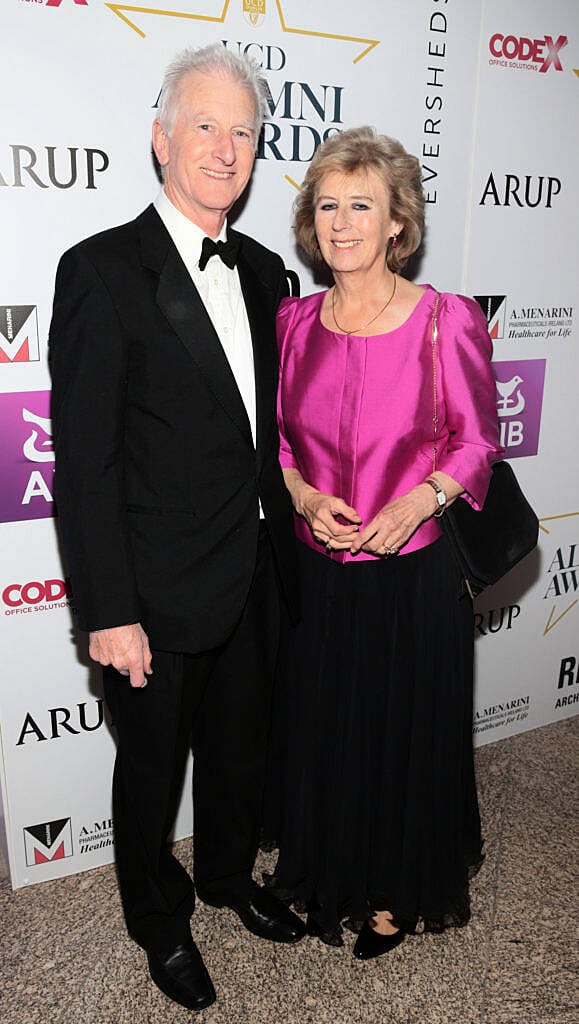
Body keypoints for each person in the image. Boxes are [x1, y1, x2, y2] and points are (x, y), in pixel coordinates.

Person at [48, 43, 304, 1012]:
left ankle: (230, 878)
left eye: (243, 130)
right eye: (205, 124)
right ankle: (158, 919)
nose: (225, 147)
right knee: (151, 772)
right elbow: (87, 462)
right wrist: (107, 610)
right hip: (151, 591)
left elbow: (274, 431)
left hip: (253, 573)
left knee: (242, 752)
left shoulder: (268, 270)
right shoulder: (101, 270)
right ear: (161, 139)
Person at [265, 126, 502, 959]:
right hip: (317, 573)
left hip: (413, 573)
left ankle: (394, 895)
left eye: (360, 205)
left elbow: (475, 443)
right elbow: (280, 447)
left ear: (397, 222)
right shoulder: (292, 323)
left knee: (403, 735)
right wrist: (297, 492)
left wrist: (422, 499)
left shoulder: (445, 319)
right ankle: (324, 872)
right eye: (326, 205)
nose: (340, 222)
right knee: (326, 728)